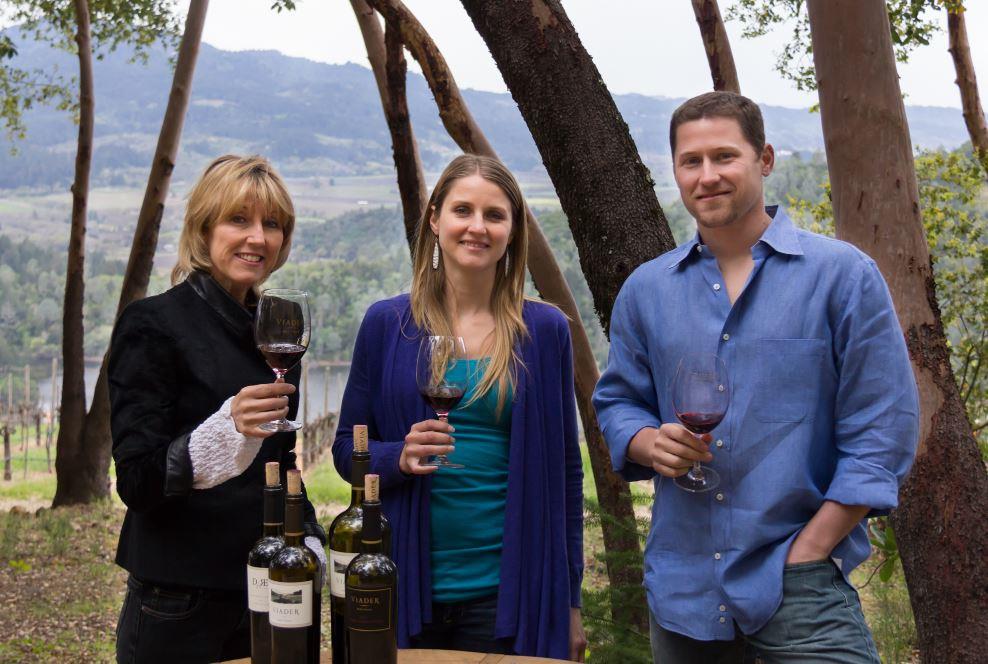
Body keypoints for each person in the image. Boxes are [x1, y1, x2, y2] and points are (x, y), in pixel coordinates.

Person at [592, 91, 919, 663]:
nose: (707, 175)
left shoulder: (843, 277)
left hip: (801, 583)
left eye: (724, 156)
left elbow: (883, 430)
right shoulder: (646, 291)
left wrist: (812, 549)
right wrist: (647, 442)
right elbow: (618, 402)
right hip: (682, 590)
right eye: (691, 161)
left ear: (763, 159)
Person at [332, 154, 586, 660]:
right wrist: (398, 458)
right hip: (403, 582)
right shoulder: (386, 324)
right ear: (435, 219)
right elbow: (345, 451)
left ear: (513, 230)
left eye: (494, 215)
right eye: (462, 210)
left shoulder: (546, 331)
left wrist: (570, 603)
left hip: (510, 590)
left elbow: (566, 473)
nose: (477, 227)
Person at [110, 155, 326, 664]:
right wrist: (225, 430)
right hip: (177, 602)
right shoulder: (152, 324)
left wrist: (310, 539)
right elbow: (137, 482)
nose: (257, 238)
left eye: (272, 224)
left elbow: (281, 462)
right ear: (204, 229)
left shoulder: (279, 327)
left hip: (266, 594)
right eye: (238, 220)